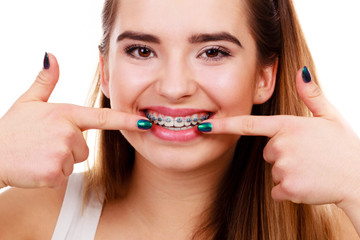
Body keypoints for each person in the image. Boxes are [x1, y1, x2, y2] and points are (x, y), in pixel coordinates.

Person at [0, 0, 360, 239]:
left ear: (264, 77)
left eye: (213, 52)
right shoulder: (30, 217)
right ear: (106, 72)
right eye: (142, 51)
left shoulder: (339, 228)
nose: (174, 88)